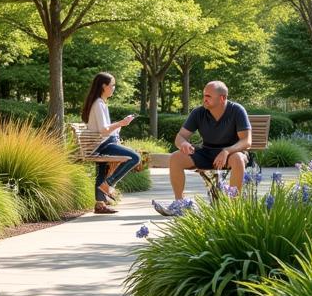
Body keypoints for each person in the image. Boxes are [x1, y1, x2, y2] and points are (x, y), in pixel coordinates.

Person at [153, 81, 251, 216]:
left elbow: (247, 141)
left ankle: (233, 207)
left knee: (239, 158)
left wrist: (227, 151)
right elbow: (180, 137)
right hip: (207, 152)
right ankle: (179, 205)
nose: (204, 99)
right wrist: (184, 144)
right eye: (204, 95)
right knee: (176, 157)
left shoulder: (237, 110)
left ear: (222, 98)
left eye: (209, 96)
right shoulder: (199, 112)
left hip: (231, 154)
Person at [81, 72, 142, 215]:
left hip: (101, 143)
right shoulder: (98, 104)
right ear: (104, 86)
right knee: (135, 157)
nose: (114, 88)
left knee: (102, 171)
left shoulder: (100, 103)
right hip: (101, 145)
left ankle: (100, 205)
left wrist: (120, 125)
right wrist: (121, 123)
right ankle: (108, 184)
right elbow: (103, 130)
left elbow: (105, 128)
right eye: (112, 85)